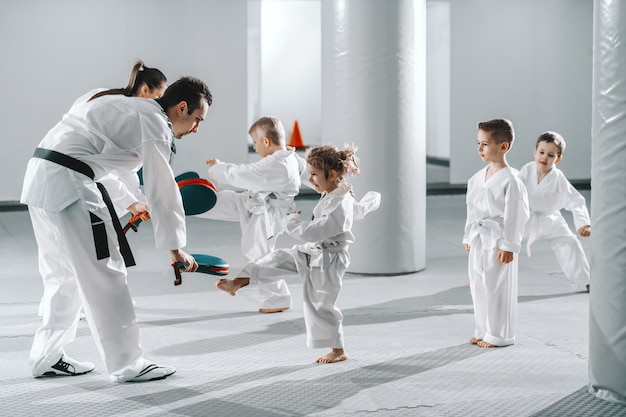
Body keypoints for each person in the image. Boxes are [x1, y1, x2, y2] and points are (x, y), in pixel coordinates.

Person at [20, 76, 212, 382]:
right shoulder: (156, 125)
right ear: (182, 108)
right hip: (70, 185)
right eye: (197, 120)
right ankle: (127, 363)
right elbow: (163, 190)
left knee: (62, 275)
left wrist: (133, 203)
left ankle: (47, 356)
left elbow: (100, 159)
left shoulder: (127, 106)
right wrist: (176, 248)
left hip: (41, 178)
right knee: (106, 272)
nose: (196, 129)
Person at [215, 144, 381, 364]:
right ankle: (238, 282)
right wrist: (370, 200)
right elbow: (356, 210)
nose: (310, 180)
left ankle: (338, 349)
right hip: (314, 251)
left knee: (321, 304)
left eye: (314, 175)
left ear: (332, 175)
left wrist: (291, 222)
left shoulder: (341, 201)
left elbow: (316, 230)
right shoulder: (334, 191)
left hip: (330, 259)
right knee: (277, 259)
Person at [35, 61, 168, 320]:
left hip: (46, 173)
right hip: (72, 181)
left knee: (57, 260)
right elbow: (105, 166)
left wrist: (134, 201)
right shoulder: (129, 113)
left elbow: (108, 163)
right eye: (158, 98)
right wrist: (133, 202)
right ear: (144, 90)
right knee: (85, 257)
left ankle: (56, 309)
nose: (159, 107)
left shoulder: (100, 96)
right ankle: (93, 306)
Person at [200, 116, 300, 313]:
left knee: (258, 253)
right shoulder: (289, 157)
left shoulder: (275, 165)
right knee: (219, 201)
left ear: (265, 141)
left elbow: (240, 174)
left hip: (268, 214)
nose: (255, 148)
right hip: (254, 201)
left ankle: (278, 298)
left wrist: (216, 168)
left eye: (255, 142)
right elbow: (309, 173)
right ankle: (188, 203)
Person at [463, 119, 529, 348]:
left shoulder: (512, 179)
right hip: (479, 237)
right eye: (478, 143)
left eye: (485, 144)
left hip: (498, 238)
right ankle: (483, 329)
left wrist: (510, 245)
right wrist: (468, 235)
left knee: (498, 286)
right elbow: (471, 209)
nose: (479, 148)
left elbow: (517, 213)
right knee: (479, 283)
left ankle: (500, 334)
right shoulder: (477, 178)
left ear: (503, 146)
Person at [519, 131, 591, 292]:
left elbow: (575, 200)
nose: (544, 157)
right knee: (502, 243)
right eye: (541, 152)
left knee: (571, 243)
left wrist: (583, 223)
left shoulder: (558, 178)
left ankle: (585, 281)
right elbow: (514, 192)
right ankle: (480, 278)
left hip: (551, 220)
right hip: (526, 219)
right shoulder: (526, 170)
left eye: (550, 155)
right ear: (534, 152)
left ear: (558, 158)